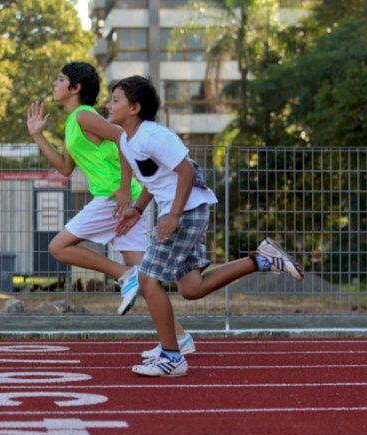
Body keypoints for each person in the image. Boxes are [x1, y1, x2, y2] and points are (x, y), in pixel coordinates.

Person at [108, 75, 304, 377]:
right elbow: (153, 181)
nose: (108, 105)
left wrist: (172, 216)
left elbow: (186, 172)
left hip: (185, 211)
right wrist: (137, 209)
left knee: (147, 280)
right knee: (191, 288)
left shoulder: (153, 136)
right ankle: (262, 260)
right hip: (180, 210)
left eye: (115, 100)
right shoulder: (127, 139)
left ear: (134, 107)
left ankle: (172, 356)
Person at [27, 62, 194, 357]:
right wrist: (38, 135)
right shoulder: (71, 125)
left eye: (60, 79)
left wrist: (123, 187)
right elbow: (66, 169)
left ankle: (122, 274)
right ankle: (179, 338)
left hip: (112, 198)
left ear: (75, 88)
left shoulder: (84, 115)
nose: (55, 83)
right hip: (119, 200)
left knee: (58, 247)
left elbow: (121, 137)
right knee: (147, 278)